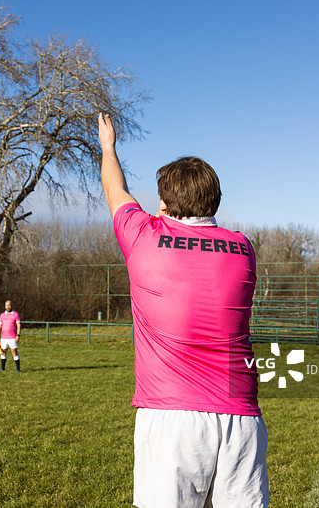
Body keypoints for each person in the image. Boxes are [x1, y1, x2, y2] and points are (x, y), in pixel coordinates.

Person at [98, 113, 268, 508]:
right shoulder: (243, 249)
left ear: (163, 203)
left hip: (171, 416)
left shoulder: (143, 237)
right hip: (240, 417)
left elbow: (115, 189)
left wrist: (109, 148)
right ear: (216, 201)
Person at [0, 300, 21, 372]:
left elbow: (18, 326)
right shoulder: (2, 315)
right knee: (3, 352)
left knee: (14, 352)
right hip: (3, 338)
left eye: (9, 305)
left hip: (12, 337)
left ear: (12, 306)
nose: (8, 307)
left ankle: (17, 369)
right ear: (5, 306)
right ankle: (2, 368)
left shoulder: (15, 314)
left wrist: (18, 335)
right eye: (7, 305)